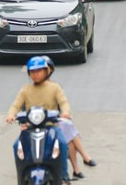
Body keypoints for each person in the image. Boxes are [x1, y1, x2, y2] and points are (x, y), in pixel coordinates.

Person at [5, 56, 77, 184]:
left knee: (61, 143)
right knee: (17, 145)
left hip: (51, 126)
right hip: (29, 127)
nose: (35, 74)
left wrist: (65, 112)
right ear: (29, 73)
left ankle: (63, 178)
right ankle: (21, 177)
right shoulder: (26, 90)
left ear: (46, 71)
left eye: (39, 71)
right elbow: (16, 105)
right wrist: (11, 115)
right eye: (32, 71)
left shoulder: (55, 88)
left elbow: (63, 102)